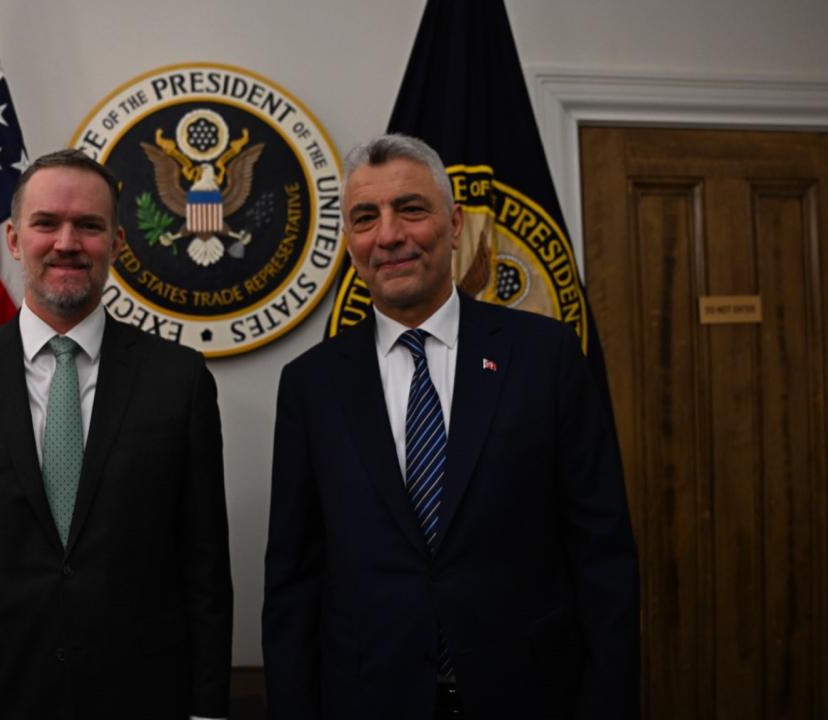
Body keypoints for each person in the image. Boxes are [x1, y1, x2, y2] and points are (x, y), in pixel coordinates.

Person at [262, 134, 638, 719]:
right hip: (369, 700)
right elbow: (295, 577)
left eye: (411, 209)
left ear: (455, 223)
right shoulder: (311, 385)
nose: (389, 235)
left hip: (530, 697)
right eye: (366, 218)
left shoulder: (546, 357)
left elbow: (601, 552)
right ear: (351, 242)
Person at [0, 150, 232, 719]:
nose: (67, 243)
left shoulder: (180, 381)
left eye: (89, 226)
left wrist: (209, 713)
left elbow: (206, 570)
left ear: (117, 242)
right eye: (46, 223)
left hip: (140, 698)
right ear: (14, 239)